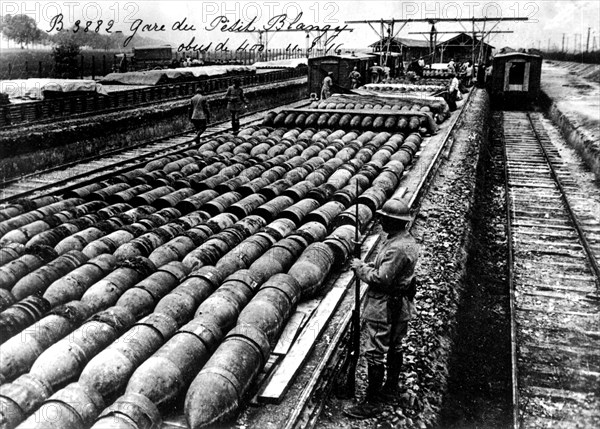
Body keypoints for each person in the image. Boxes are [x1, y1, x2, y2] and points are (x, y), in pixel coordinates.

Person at [344, 199, 420, 419]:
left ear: (393, 221)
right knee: (395, 346)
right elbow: (385, 270)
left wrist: (360, 269)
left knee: (375, 352)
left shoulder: (396, 247)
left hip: (384, 307)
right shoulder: (404, 240)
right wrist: (368, 266)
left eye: (384, 218)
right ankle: (390, 389)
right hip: (400, 304)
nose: (380, 220)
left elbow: (381, 278)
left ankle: (373, 401)